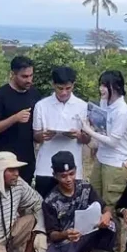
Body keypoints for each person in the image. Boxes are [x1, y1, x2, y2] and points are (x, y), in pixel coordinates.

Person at [40, 151, 116, 252]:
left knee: (111, 225)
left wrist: (107, 215)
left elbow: (105, 207)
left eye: (71, 174)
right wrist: (65, 234)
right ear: (55, 176)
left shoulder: (85, 187)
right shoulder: (50, 201)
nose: (69, 179)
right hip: (64, 243)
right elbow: (52, 235)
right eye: (63, 176)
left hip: (88, 234)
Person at [81, 70, 127, 250]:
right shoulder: (105, 103)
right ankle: (97, 243)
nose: (101, 89)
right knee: (95, 202)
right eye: (100, 85)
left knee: (111, 206)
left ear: (115, 87)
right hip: (102, 160)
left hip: (116, 164)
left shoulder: (123, 111)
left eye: (105, 86)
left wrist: (88, 131)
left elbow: (113, 141)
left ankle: (113, 246)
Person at [33, 66, 90, 199]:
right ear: (53, 85)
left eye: (68, 88)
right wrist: (44, 135)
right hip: (46, 167)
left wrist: (78, 135)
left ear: (73, 85)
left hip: (73, 168)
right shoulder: (41, 105)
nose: (64, 92)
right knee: (43, 206)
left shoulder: (82, 106)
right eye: (60, 88)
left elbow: (87, 138)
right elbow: (36, 136)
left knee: (71, 208)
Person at [0, 56, 43, 184]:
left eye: (31, 76)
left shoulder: (35, 94)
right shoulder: (1, 95)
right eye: (24, 77)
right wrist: (14, 118)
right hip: (3, 160)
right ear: (13, 74)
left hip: (26, 159)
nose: (29, 80)